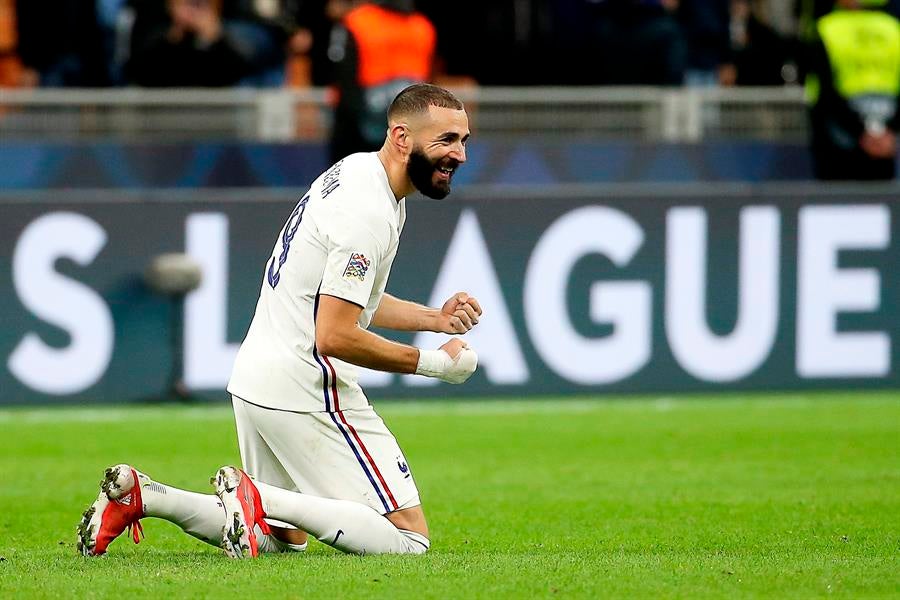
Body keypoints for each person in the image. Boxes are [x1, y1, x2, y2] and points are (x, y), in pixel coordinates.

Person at [76, 83, 481, 558]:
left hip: (256, 378)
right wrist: (436, 365)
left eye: (464, 141)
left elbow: (352, 298)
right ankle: (255, 496)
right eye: (446, 140)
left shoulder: (357, 173)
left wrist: (434, 317)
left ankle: (143, 497)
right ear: (400, 137)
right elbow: (334, 334)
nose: (459, 155)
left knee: (281, 539)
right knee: (409, 540)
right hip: (304, 384)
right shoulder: (368, 212)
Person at [326, 0, 436, 162]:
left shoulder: (357, 21)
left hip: (357, 126)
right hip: (406, 127)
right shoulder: (423, 26)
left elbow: (341, 75)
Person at [804, 0, 900, 180]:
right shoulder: (894, 28)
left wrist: (864, 133)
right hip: (882, 141)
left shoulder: (826, 29)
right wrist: (885, 133)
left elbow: (823, 94)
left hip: (840, 142)